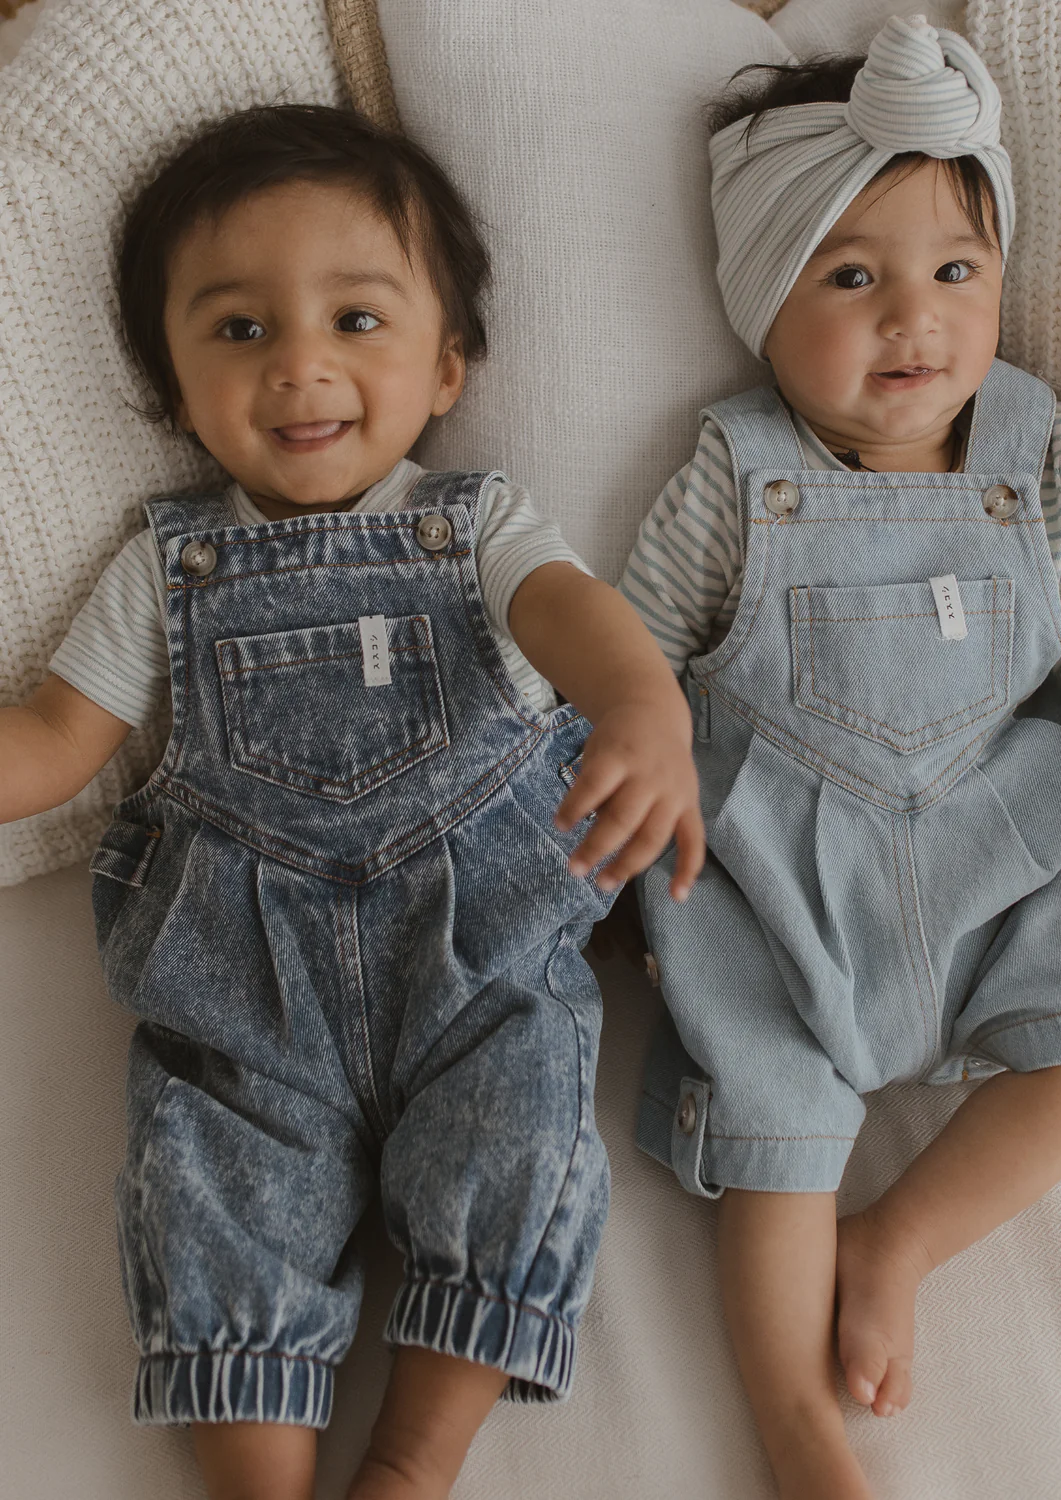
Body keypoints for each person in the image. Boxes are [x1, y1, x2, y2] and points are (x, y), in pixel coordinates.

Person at [0, 105, 702, 1500]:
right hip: (245, 997)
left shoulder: (479, 524)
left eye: (357, 320)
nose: (302, 366)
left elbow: (576, 620)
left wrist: (646, 706)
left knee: (523, 1133)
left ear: (449, 364)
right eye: (240, 330)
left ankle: (409, 1461)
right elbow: (54, 739)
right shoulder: (166, 569)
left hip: (475, 964)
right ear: (175, 388)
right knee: (209, 1192)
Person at [621, 17, 1061, 1498]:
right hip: (777, 888)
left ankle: (903, 1239)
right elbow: (624, 647)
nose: (914, 321)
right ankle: (796, 1429)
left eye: (955, 272)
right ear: (763, 300)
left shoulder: (1040, 457)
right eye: (852, 277)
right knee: (775, 1127)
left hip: (996, 871)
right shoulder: (732, 474)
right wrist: (634, 750)